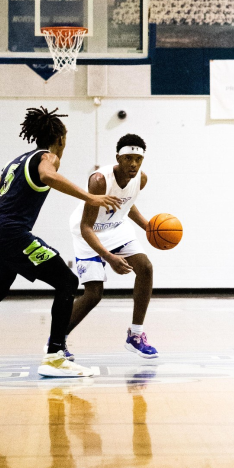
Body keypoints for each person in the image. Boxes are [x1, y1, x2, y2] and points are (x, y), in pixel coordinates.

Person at [0, 106, 122, 378]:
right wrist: (90, 197)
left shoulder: (14, 163)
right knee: (67, 281)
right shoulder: (48, 157)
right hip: (10, 232)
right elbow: (47, 175)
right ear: (60, 140)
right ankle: (55, 356)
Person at [67, 134, 158, 359]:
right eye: (128, 158)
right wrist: (109, 257)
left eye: (138, 159)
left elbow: (126, 203)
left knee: (145, 268)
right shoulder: (99, 180)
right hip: (88, 232)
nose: (134, 164)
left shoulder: (141, 179)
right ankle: (57, 339)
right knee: (94, 294)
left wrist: (148, 226)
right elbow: (86, 226)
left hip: (116, 228)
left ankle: (135, 335)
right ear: (118, 157)